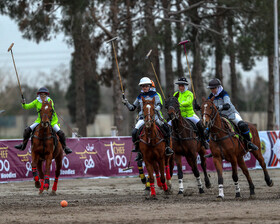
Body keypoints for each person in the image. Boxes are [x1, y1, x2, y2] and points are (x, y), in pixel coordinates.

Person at [197, 78, 258, 158]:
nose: (212, 90)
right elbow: (207, 105)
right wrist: (198, 107)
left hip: (231, 114)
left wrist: (218, 107)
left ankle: (249, 143)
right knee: (207, 130)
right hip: (220, 116)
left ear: (218, 87)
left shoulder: (224, 94)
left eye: (214, 88)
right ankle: (213, 150)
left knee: (242, 125)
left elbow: (227, 105)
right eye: (211, 89)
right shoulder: (211, 96)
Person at [122, 77, 174, 161]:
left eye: (146, 86)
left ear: (149, 86)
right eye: (143, 86)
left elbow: (159, 105)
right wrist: (126, 103)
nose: (144, 88)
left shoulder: (155, 94)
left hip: (154, 117)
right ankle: (138, 151)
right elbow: (132, 108)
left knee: (166, 128)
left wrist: (154, 109)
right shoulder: (140, 96)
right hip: (143, 118)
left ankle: (167, 147)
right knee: (134, 132)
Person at [14, 87, 72, 155]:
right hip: (40, 121)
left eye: (44, 95)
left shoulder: (50, 101)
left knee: (61, 133)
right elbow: (26, 107)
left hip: (51, 121)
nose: (43, 96)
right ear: (39, 95)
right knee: (27, 130)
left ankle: (65, 147)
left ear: (46, 95)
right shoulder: (36, 101)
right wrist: (23, 103)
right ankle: (23, 145)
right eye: (41, 95)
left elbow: (51, 109)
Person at [171, 77, 210, 150]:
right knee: (167, 125)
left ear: (185, 86)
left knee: (200, 125)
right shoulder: (176, 94)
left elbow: (188, 102)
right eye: (179, 85)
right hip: (179, 116)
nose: (181, 87)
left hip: (190, 115)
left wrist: (179, 104)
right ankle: (168, 144)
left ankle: (203, 141)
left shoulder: (189, 94)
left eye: (182, 86)